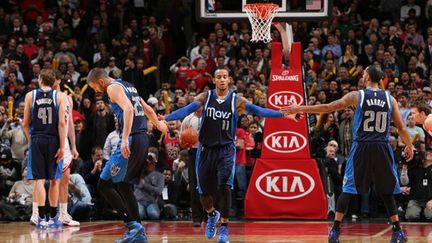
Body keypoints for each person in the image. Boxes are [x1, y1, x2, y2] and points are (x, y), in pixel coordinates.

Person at [161, 68, 299, 243]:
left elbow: (259, 110)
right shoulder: (205, 97)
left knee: (225, 186)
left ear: (229, 80)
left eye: (225, 77)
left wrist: (283, 114)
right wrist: (167, 117)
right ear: (214, 80)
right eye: (218, 77)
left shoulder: (237, 100)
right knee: (202, 193)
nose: (222, 80)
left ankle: (225, 228)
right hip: (205, 150)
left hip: (226, 150)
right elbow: (187, 110)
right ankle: (212, 215)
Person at [281, 65, 414, 243]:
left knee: (348, 188)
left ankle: (335, 230)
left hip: (362, 147)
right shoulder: (390, 99)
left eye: (364, 73)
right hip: (382, 146)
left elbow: (329, 107)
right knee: (386, 191)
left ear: (366, 78)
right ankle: (397, 231)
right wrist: (409, 145)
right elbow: (401, 127)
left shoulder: (357, 96)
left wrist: (300, 108)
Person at [86, 68, 168, 243]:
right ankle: (137, 231)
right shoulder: (129, 85)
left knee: (104, 185)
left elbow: (129, 110)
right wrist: (160, 126)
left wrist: (123, 139)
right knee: (124, 185)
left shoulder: (111, 88)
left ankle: (133, 226)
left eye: (94, 88)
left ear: (100, 82)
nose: (96, 92)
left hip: (130, 139)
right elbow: (147, 109)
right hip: (142, 140)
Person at [30, 72, 80, 226]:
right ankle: (36, 213)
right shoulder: (39, 97)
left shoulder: (66, 98)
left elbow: (69, 122)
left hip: (61, 139)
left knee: (63, 178)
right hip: (48, 138)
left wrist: (73, 145)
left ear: (58, 80)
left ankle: (63, 214)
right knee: (39, 179)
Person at [22, 69, 68, 229]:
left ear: (40, 79)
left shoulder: (30, 95)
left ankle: (41, 218)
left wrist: (31, 141)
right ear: (54, 80)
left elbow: (25, 123)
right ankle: (54, 217)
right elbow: (62, 123)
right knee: (55, 180)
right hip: (54, 140)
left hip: (37, 139)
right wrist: (62, 146)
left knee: (39, 180)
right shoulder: (61, 96)